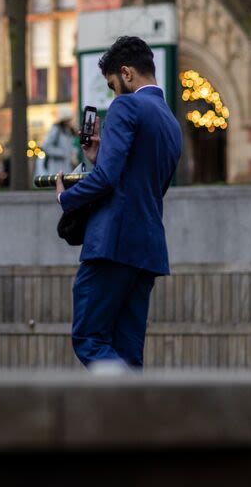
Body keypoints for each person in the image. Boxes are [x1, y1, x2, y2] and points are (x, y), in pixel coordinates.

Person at [55, 35, 182, 370]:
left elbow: (107, 180)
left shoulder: (127, 106)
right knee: (128, 351)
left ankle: (132, 407)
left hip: (112, 244)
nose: (113, 94)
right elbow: (138, 182)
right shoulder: (170, 121)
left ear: (126, 73)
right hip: (147, 250)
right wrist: (99, 156)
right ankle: (132, 418)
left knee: (90, 339)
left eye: (112, 85)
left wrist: (66, 196)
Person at [38, 106, 78, 178]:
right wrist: (62, 153)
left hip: (67, 168)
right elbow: (46, 147)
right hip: (56, 168)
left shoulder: (68, 131)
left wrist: (73, 154)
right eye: (68, 119)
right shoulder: (56, 130)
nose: (70, 121)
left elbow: (71, 147)